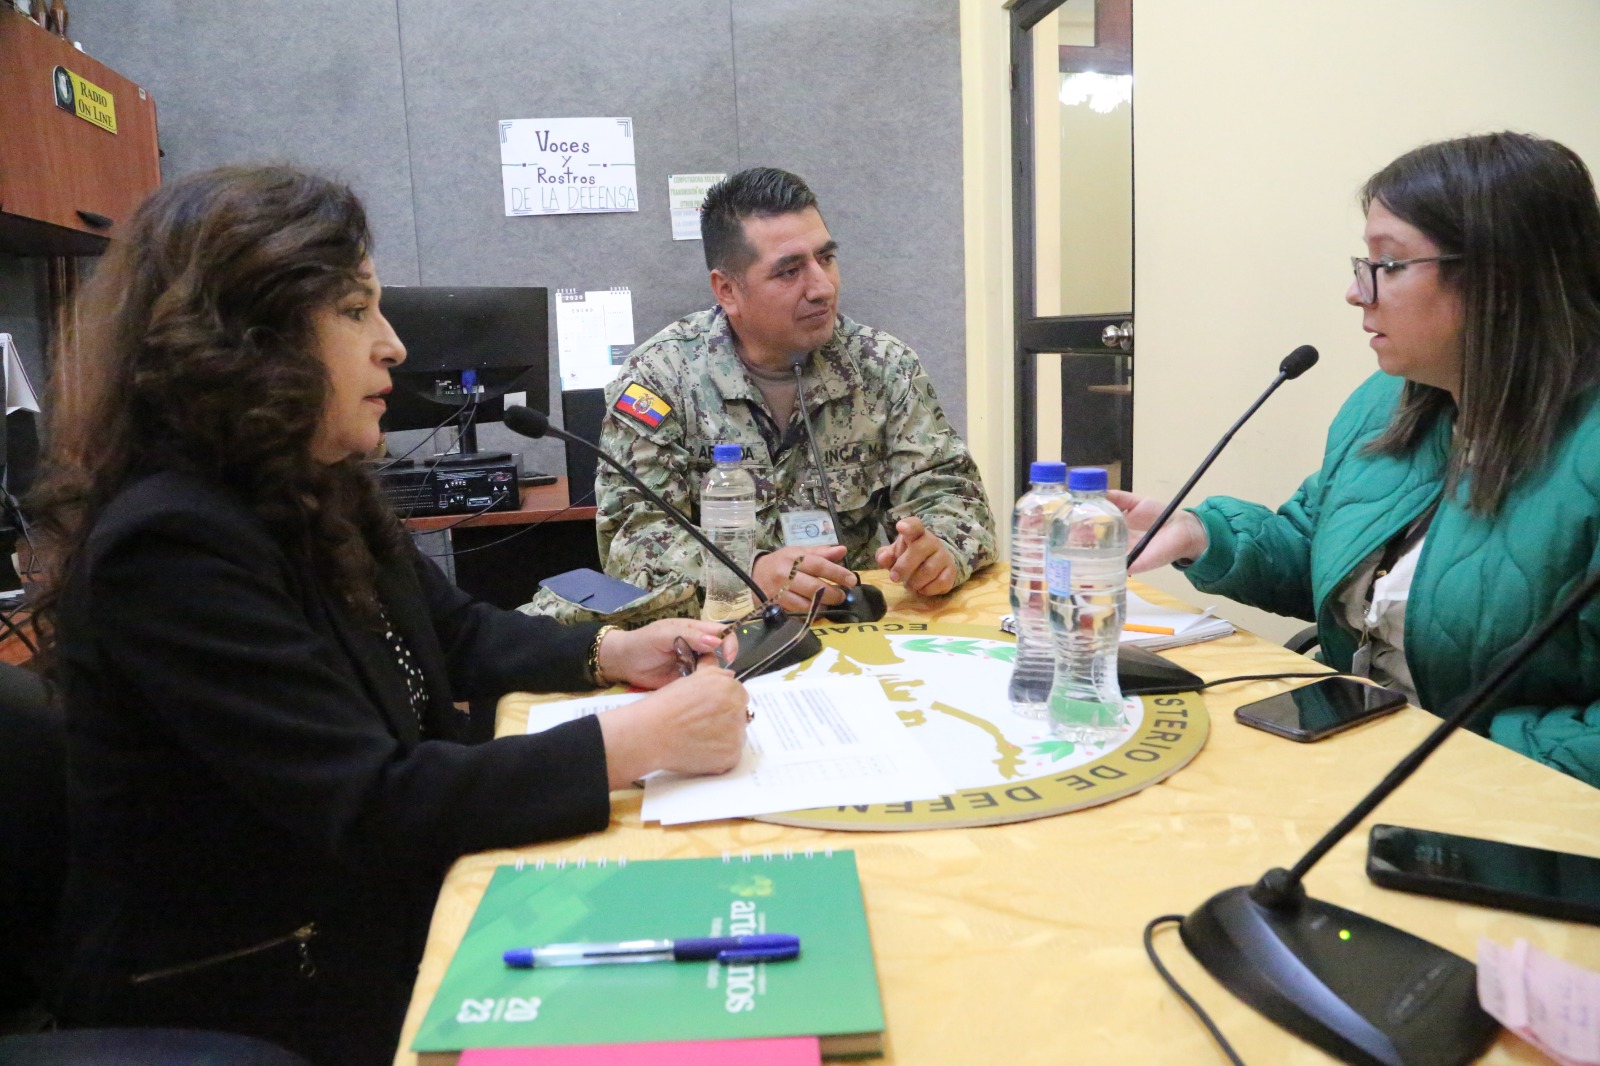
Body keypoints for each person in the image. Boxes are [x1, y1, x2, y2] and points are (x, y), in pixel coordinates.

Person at [28, 165, 750, 1066]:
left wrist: (611, 651)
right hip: (255, 984)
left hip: (362, 915)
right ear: (253, 337)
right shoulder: (171, 545)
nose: (395, 346)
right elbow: (369, 805)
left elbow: (454, 631)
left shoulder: (309, 480)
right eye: (356, 310)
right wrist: (635, 742)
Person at [1116, 131, 1600, 789]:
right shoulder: (1383, 403)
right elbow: (1324, 557)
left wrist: (1454, 752)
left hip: (1498, 800)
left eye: (1389, 264)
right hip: (1357, 754)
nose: (1355, 292)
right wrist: (1203, 535)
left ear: (1501, 278)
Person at [594, 167, 996, 614]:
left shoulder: (883, 366)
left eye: (826, 258)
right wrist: (747, 575)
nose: (822, 288)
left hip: (853, 624)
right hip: (719, 633)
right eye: (789, 271)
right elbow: (631, 540)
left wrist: (939, 549)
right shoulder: (659, 378)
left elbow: (954, 496)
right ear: (728, 290)